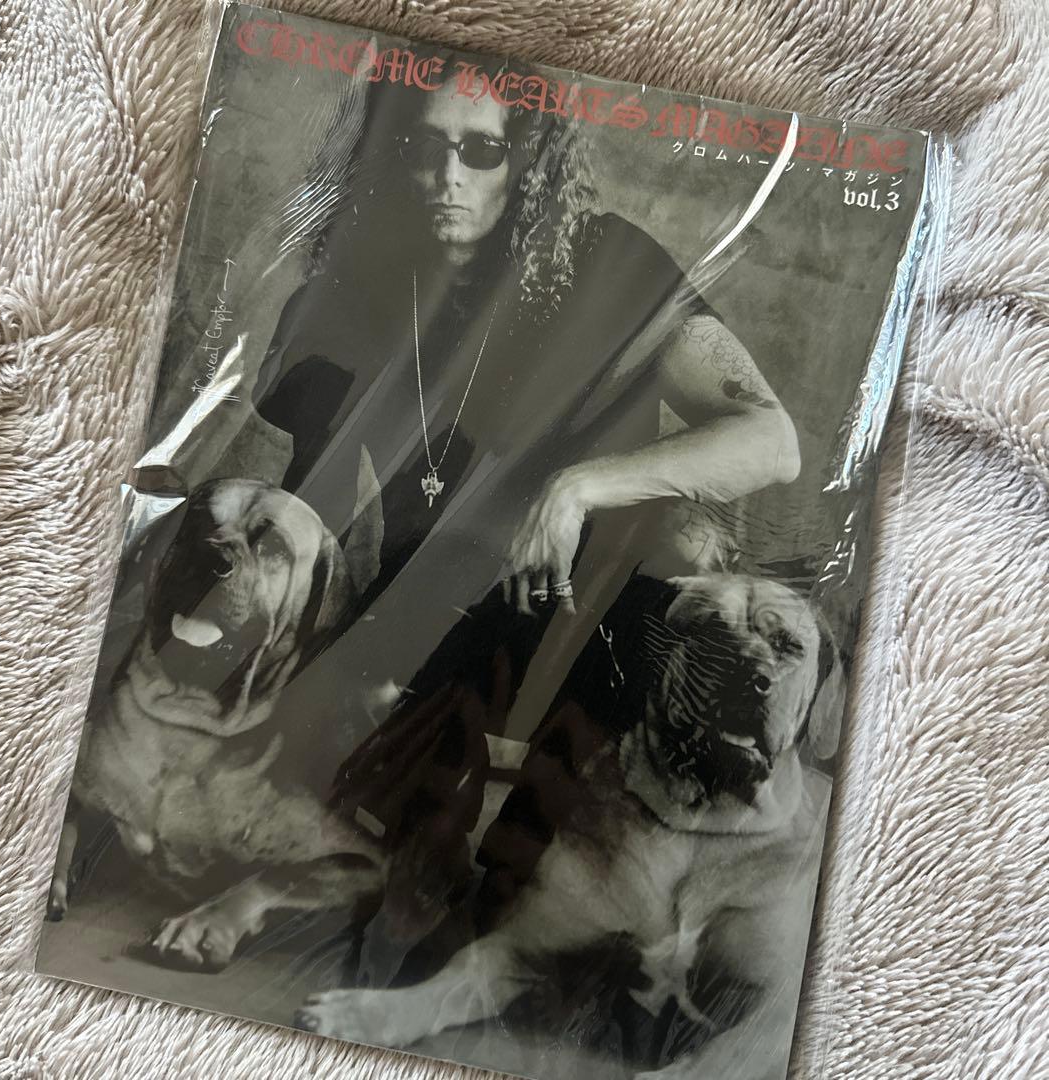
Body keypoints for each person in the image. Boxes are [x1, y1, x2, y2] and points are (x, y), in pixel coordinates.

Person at [251, 59, 800, 960]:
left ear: (529, 158)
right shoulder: (370, 280)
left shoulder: (606, 264)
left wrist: (579, 485)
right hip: (430, 630)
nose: (448, 177)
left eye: (480, 151)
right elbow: (311, 498)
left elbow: (772, 440)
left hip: (588, 621)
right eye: (427, 148)